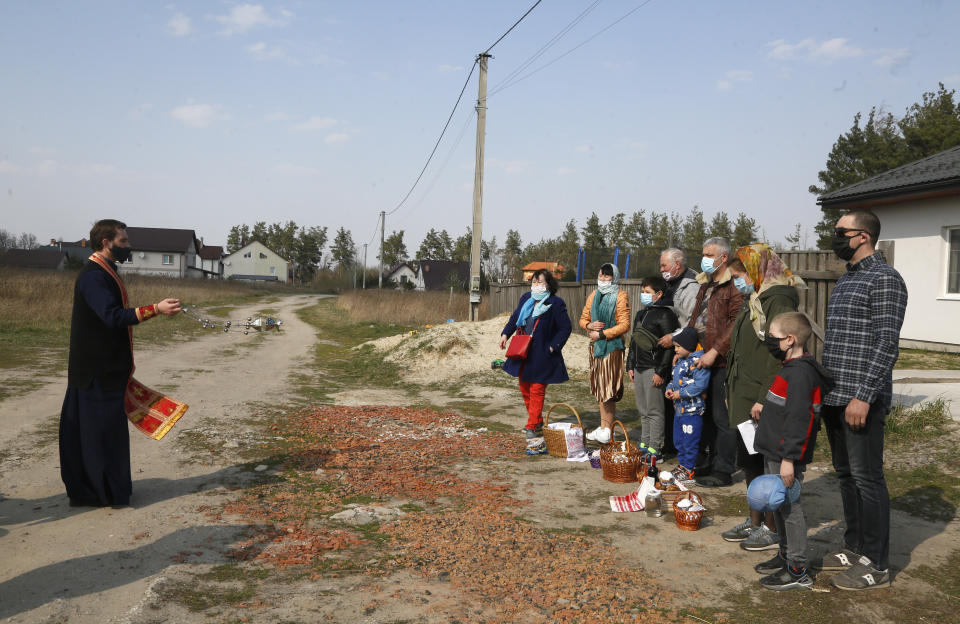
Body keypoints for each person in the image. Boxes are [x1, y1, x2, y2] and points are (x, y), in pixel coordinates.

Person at [60, 219, 181, 507]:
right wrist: (156, 309)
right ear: (106, 242)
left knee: (104, 433)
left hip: (103, 369)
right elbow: (112, 316)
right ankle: (98, 493)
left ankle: (105, 490)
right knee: (99, 435)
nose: (128, 246)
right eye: (123, 241)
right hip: (95, 372)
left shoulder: (104, 272)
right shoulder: (93, 277)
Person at [820, 210, 907, 591]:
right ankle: (854, 545)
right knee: (845, 475)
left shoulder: (885, 279)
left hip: (860, 400)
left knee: (868, 478)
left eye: (840, 231)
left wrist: (864, 395)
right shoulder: (847, 280)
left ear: (862, 237)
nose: (834, 237)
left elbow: (887, 343)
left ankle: (878, 562)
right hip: (834, 397)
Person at [720, 244, 804, 552]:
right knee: (749, 459)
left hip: (760, 392)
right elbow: (742, 346)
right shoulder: (754, 297)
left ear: (756, 269)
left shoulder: (778, 298)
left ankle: (771, 527)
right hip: (743, 390)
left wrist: (761, 396)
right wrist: (731, 388)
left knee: (763, 460)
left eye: (740, 275)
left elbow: (777, 353)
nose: (737, 281)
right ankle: (754, 521)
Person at [751, 312, 835, 591]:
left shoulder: (800, 374)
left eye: (771, 337)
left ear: (790, 340)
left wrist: (789, 459)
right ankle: (785, 554)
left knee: (790, 509)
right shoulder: (790, 367)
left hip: (785, 455)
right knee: (778, 505)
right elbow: (785, 404)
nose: (768, 342)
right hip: (775, 450)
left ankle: (798, 569)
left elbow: (800, 419)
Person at [686, 237, 744, 488]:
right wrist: (684, 344)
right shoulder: (706, 284)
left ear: (723, 257)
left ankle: (723, 469)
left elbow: (736, 322)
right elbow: (696, 317)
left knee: (723, 417)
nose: (705, 259)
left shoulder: (733, 285)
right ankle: (707, 461)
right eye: (703, 254)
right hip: (699, 356)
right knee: (705, 413)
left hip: (720, 361)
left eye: (709, 255)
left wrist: (715, 351)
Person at [500, 269, 572, 438]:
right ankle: (537, 420)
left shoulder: (556, 303)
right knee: (525, 388)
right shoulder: (526, 298)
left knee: (537, 389)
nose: (537, 285)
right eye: (534, 282)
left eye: (540, 282)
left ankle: (532, 425)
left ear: (549, 284)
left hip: (542, 353)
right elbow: (514, 318)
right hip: (522, 351)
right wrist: (505, 334)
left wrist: (553, 347)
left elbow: (565, 328)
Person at [626, 275, 679, 459]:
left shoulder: (666, 314)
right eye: (642, 292)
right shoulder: (641, 314)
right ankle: (644, 443)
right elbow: (634, 342)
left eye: (647, 292)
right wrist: (630, 364)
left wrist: (661, 371)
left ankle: (655, 447)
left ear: (659, 293)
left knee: (654, 410)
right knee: (643, 409)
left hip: (653, 368)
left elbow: (669, 347)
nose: (643, 295)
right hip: (639, 367)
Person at [580, 263, 631, 444]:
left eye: (607, 277)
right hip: (596, 348)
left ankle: (608, 429)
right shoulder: (594, 295)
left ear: (614, 278)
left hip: (612, 348)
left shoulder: (620, 296)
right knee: (599, 389)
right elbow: (583, 318)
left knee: (608, 389)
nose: (603, 279)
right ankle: (603, 428)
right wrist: (588, 326)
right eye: (601, 276)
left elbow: (624, 325)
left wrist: (601, 333)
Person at [663, 327, 710, 483]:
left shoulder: (698, 362)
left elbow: (700, 385)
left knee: (690, 442)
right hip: (679, 410)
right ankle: (682, 466)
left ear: (689, 346)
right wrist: (670, 389)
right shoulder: (680, 361)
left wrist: (681, 393)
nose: (675, 350)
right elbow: (674, 380)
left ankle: (689, 470)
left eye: (678, 347)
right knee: (679, 440)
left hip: (692, 412)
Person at [658, 248, 699, 326]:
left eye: (664, 266)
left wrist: (673, 336)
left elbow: (693, 323)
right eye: (661, 266)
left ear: (677, 265)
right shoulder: (670, 284)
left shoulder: (692, 289)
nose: (661, 270)